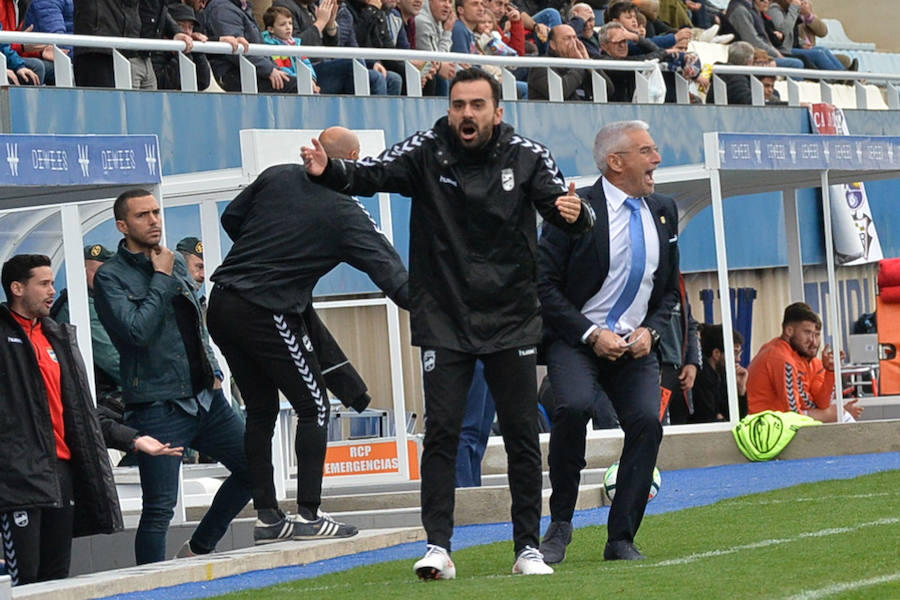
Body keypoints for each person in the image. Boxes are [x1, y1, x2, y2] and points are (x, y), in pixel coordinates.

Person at [301, 68, 594, 579]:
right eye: (458, 104)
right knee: (441, 432)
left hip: (511, 318)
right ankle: (438, 546)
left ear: (497, 112)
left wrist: (577, 214)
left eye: (477, 105)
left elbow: (566, 209)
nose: (466, 114)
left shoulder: (528, 155)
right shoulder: (425, 150)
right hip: (445, 317)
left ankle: (527, 547)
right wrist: (330, 171)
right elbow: (370, 175)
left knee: (523, 435)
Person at [208, 126, 409, 544]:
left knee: (261, 411)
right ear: (354, 159)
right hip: (265, 308)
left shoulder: (278, 174)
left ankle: (267, 517)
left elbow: (231, 217)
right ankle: (309, 516)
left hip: (222, 301)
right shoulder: (346, 211)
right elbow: (394, 278)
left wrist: (265, 253)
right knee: (314, 406)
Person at [537, 120, 679, 564]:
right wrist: (590, 333)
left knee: (646, 423)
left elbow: (671, 290)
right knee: (574, 406)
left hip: (635, 346)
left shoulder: (664, 209)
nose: (657, 159)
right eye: (648, 151)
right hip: (577, 340)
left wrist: (650, 332)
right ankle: (560, 523)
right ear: (616, 163)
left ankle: (621, 537)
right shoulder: (575, 209)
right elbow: (544, 284)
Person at [92, 189, 252, 564]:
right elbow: (135, 333)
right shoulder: (111, 277)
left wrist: (213, 372)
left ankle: (198, 548)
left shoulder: (174, 263)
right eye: (143, 215)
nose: (154, 221)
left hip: (205, 398)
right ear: (122, 225)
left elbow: (196, 324)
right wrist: (161, 278)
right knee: (160, 508)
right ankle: (149, 586)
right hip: (157, 407)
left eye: (156, 212)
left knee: (255, 468)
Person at [0, 254, 178, 586]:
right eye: (44, 284)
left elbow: (81, 411)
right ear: (17, 288)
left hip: (62, 472)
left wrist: (133, 438)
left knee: (55, 578)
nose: (53, 290)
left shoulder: (56, 335)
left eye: (53, 282)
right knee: (23, 580)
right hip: (18, 478)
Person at [746, 302, 863, 423]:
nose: (812, 341)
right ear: (789, 331)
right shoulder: (782, 358)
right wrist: (833, 413)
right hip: (762, 424)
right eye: (807, 333)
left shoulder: (800, 358)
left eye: (816, 335)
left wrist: (830, 372)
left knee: (838, 414)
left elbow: (821, 403)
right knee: (839, 414)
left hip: (770, 420)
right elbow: (794, 411)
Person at [658, 275, 700, 425]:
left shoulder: (678, 283)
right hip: (655, 370)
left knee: (679, 430)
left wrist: (693, 363)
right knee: (656, 429)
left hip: (679, 373)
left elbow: (691, 325)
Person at [528, 24, 607, 101]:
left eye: (575, 38)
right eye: (567, 38)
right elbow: (561, 92)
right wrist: (580, 64)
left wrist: (588, 62)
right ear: (553, 45)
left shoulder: (583, 63)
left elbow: (608, 90)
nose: (573, 43)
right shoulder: (541, 66)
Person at [691, 324, 748, 422]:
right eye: (734, 353)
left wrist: (740, 389)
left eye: (739, 353)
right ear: (716, 354)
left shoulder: (721, 375)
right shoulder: (699, 378)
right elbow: (707, 421)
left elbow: (736, 418)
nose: (738, 359)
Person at [152, 3, 212, 90]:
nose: (187, 32)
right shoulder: (157, 48)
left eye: (190, 27)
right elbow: (164, 84)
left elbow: (202, 82)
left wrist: (197, 52)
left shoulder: (191, 45)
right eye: (180, 26)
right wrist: (180, 55)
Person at [262, 6, 320, 91]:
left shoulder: (295, 44)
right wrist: (303, 81)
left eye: (290, 23)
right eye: (282, 24)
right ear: (271, 29)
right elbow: (281, 68)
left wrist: (311, 79)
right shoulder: (270, 47)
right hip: (288, 85)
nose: (288, 27)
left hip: (303, 82)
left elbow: (306, 64)